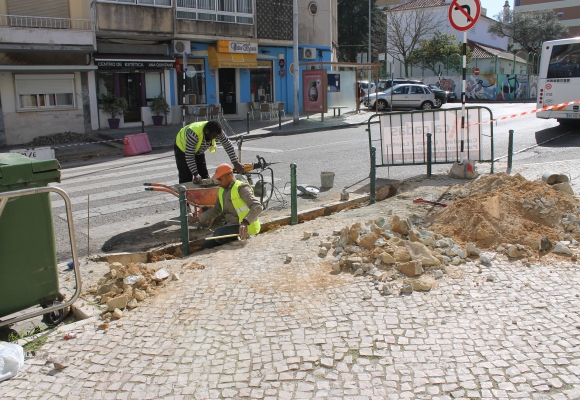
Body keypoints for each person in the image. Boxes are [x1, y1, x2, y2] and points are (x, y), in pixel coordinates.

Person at [189, 163, 263, 249]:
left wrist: (245, 222)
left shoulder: (241, 188)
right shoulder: (222, 190)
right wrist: (198, 218)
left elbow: (257, 206)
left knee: (218, 234)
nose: (218, 182)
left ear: (229, 176)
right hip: (231, 226)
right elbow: (216, 210)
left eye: (220, 179)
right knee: (207, 244)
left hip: (246, 228)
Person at [174, 120, 244, 184]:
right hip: (182, 149)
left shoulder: (216, 130)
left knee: (204, 176)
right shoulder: (194, 134)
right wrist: (195, 174)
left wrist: (235, 162)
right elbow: (189, 155)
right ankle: (184, 196)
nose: (215, 137)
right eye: (214, 135)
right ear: (207, 131)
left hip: (198, 151)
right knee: (186, 177)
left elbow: (227, 144)